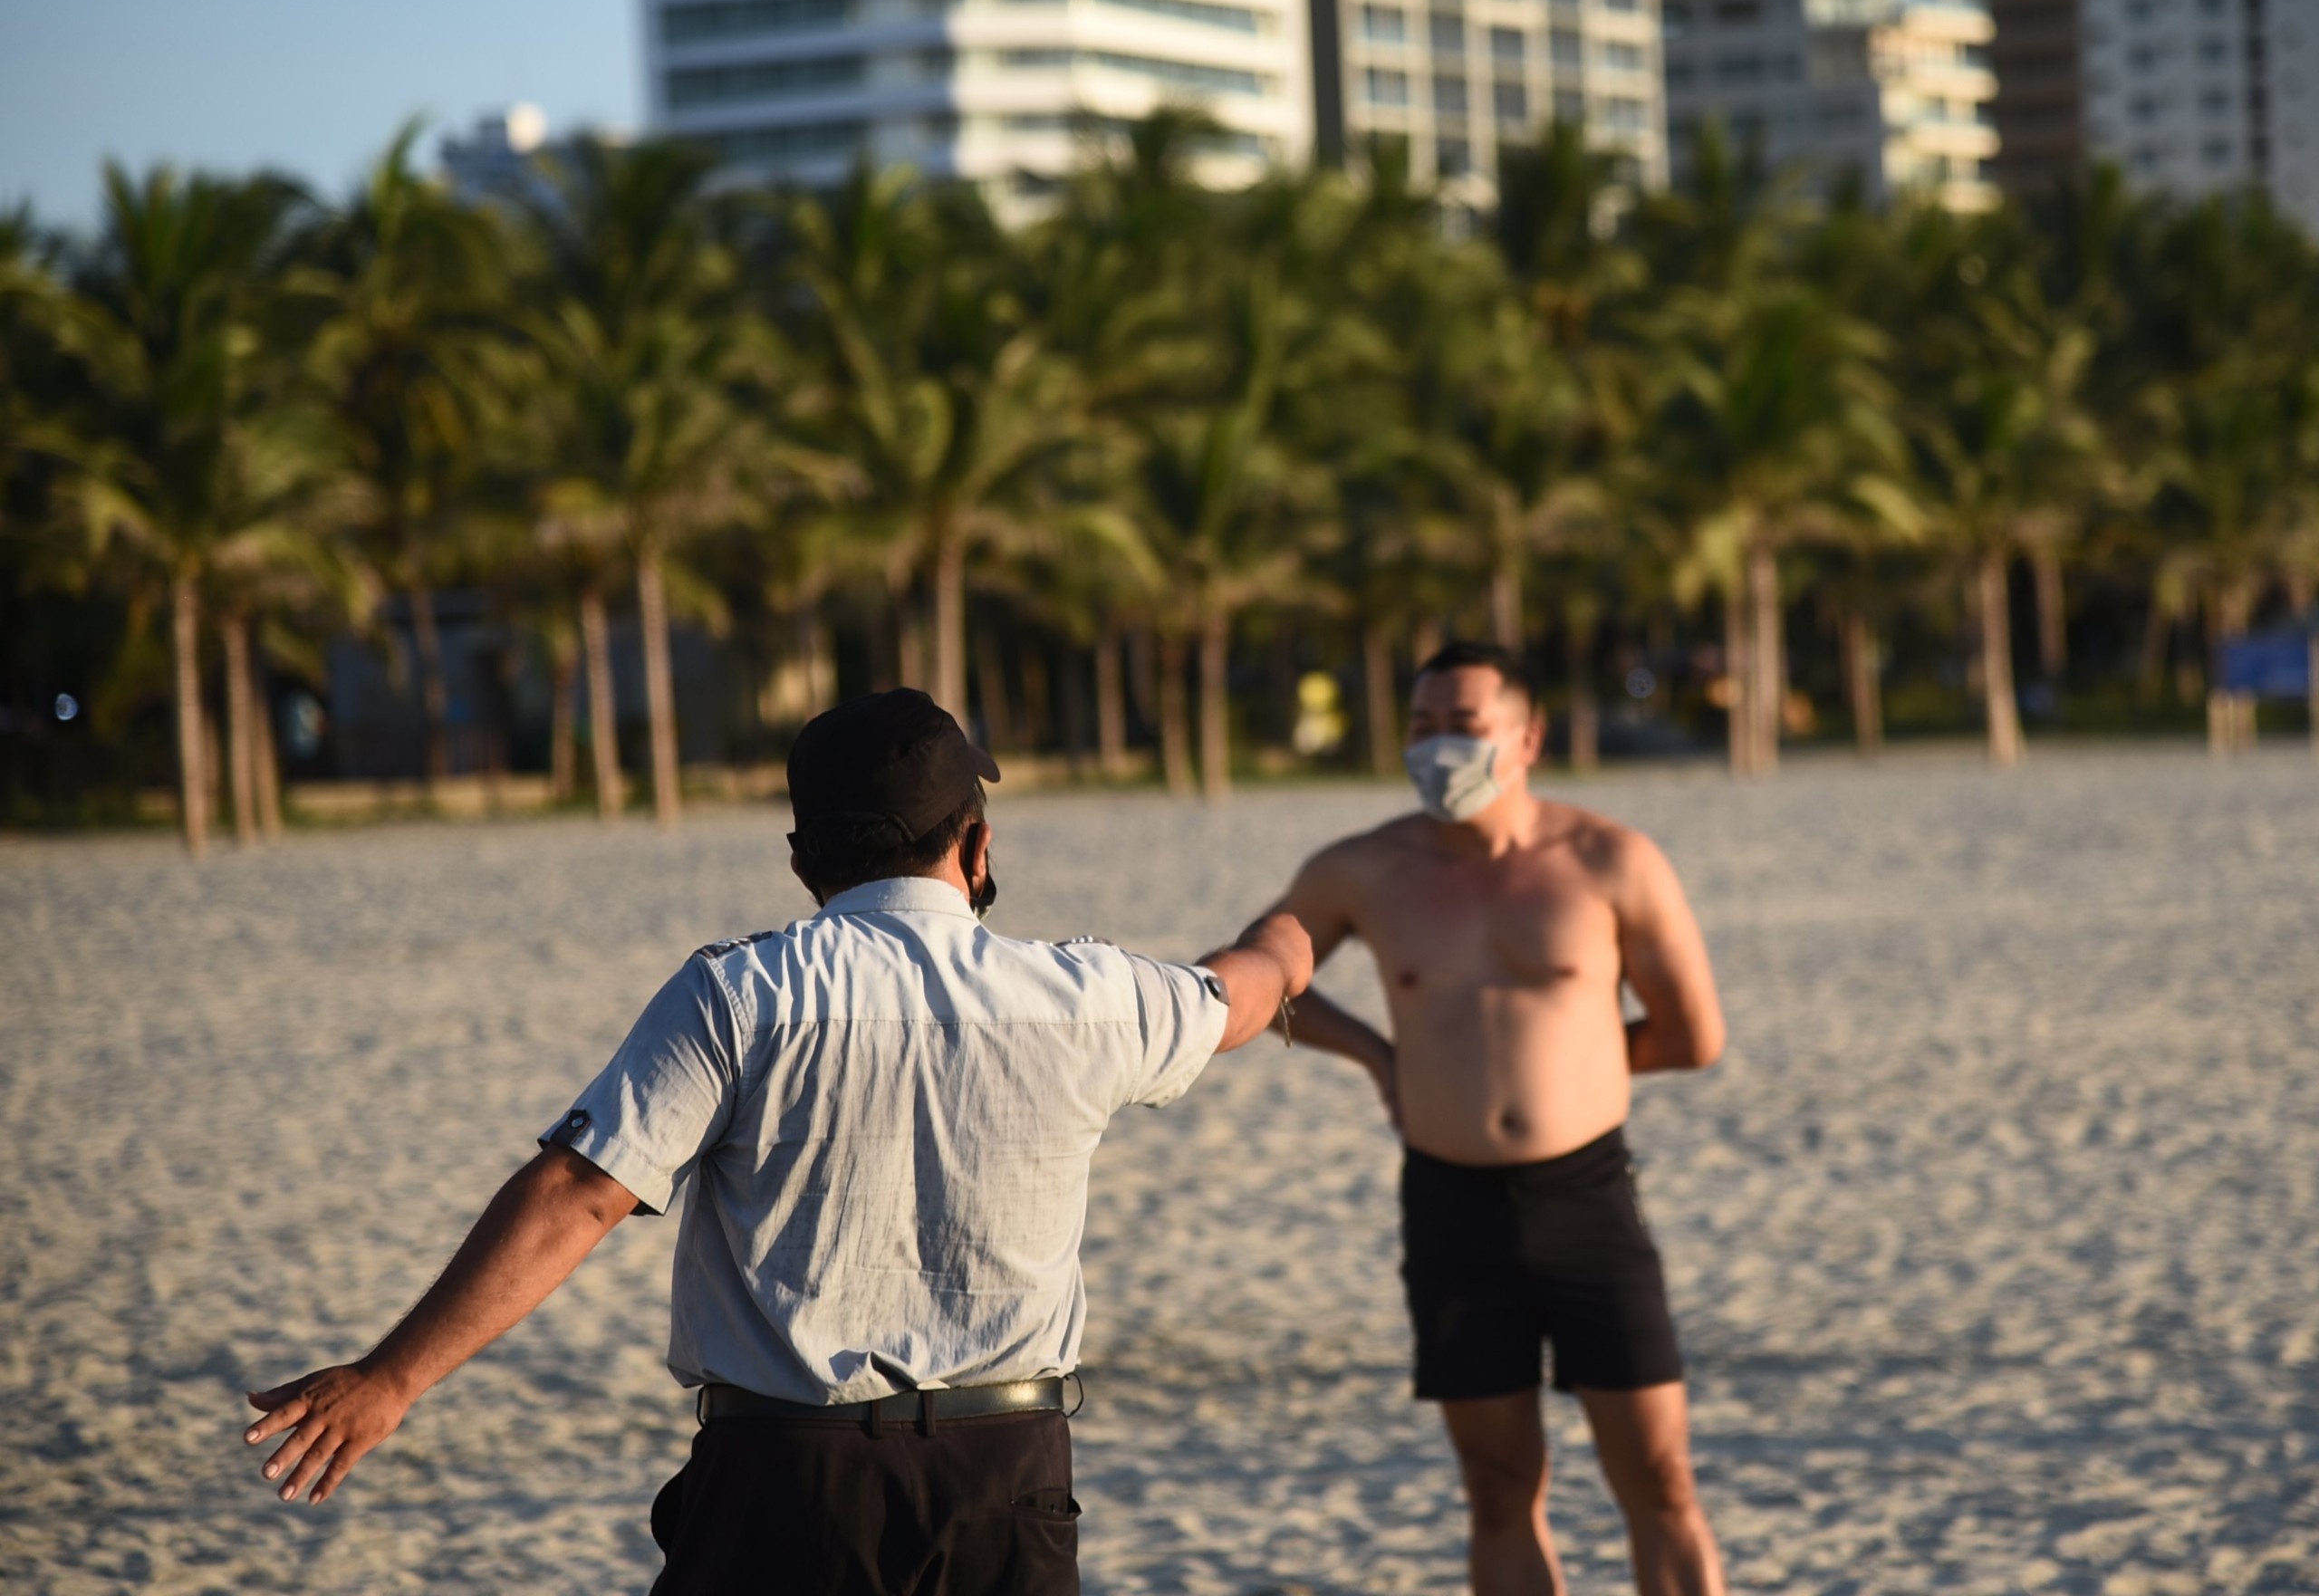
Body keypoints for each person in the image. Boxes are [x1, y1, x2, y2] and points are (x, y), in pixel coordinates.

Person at [240, 688, 1314, 1596]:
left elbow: (578, 1193)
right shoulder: (1085, 998)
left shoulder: (739, 995)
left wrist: (392, 1379)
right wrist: (1292, 938)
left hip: (782, 1476)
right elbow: (1239, 997)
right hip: (1005, 1479)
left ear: (804, 861)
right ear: (976, 846)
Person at [1268, 641, 1728, 1596]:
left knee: (1659, 1479)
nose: (1438, 749)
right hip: (1449, 1204)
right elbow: (1254, 978)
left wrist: (1580, 1061)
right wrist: (1379, 1055)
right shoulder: (1365, 869)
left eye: (1463, 729)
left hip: (1587, 1198)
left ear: (1525, 739)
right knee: (1496, 1485)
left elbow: (1694, 1035)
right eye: (1422, 729)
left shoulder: (1608, 860)